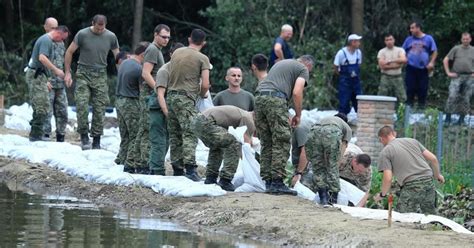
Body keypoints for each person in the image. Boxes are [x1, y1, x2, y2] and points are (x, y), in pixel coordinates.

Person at [255, 55, 314, 195]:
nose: (308, 75)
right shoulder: (302, 68)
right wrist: (298, 115)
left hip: (259, 98)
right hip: (276, 99)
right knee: (281, 140)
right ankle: (277, 182)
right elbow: (297, 92)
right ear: (308, 65)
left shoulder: (280, 64)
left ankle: (268, 181)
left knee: (267, 141)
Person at [64, 14, 120, 150]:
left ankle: (96, 139)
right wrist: (67, 72)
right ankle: (84, 136)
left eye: (102, 28)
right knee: (82, 105)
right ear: (92, 23)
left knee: (99, 108)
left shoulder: (111, 36)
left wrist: (122, 73)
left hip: (101, 74)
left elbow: (118, 56)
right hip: (83, 73)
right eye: (97, 28)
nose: (100, 31)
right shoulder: (82, 34)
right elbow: (69, 51)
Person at [166, 29, 211, 181]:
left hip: (171, 96)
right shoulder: (202, 58)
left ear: (189, 38)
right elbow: (205, 84)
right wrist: (202, 93)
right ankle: (191, 170)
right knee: (190, 132)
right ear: (203, 43)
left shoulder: (177, 53)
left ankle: (177, 169)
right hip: (186, 98)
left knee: (175, 134)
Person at [127, 24, 170, 174]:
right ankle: (142, 164)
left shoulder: (156, 50)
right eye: (163, 37)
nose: (166, 40)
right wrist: (159, 90)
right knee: (147, 130)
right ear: (155, 34)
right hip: (149, 94)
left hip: (150, 93)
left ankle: (132, 162)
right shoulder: (152, 49)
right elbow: (146, 74)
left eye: (168, 38)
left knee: (143, 129)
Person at [374, 126, 445, 214]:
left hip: (411, 186)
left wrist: (382, 195)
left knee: (402, 218)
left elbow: (388, 178)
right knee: (431, 217)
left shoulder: (386, 152)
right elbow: (433, 158)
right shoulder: (412, 141)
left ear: (381, 139)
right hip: (428, 182)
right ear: (393, 133)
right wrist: (437, 175)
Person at [192, 105, 255, 191]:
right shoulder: (249, 119)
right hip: (206, 122)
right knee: (233, 143)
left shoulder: (244, 114)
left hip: (197, 121)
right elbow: (245, 145)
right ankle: (226, 180)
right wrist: (251, 164)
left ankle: (211, 178)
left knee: (217, 146)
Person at [26, 26, 69, 141]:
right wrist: (56, 70)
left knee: (43, 105)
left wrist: (46, 78)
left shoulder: (48, 40)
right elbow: (42, 58)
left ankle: (36, 134)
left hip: (41, 75)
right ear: (59, 34)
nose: (61, 41)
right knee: (41, 107)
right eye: (62, 38)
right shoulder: (46, 40)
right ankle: (36, 136)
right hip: (36, 74)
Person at [150, 42, 185, 175]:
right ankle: (156, 169)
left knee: (174, 139)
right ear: (171, 55)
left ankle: (178, 168)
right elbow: (160, 94)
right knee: (159, 139)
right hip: (159, 108)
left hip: (173, 107)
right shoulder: (165, 70)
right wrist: (167, 114)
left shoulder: (183, 70)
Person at [115, 42, 148, 173]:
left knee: (125, 135)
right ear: (143, 54)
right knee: (135, 134)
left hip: (119, 100)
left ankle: (121, 159)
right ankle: (130, 163)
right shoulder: (138, 68)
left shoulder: (125, 63)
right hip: (130, 102)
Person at [304, 113, 352, 205]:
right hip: (331, 132)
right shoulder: (346, 127)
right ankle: (333, 200)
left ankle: (323, 198)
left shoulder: (325, 119)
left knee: (318, 166)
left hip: (314, 131)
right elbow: (343, 147)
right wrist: (336, 162)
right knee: (332, 166)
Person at [40, 18, 69, 142]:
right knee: (47, 111)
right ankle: (45, 134)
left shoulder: (61, 43)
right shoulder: (43, 41)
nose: (55, 31)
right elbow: (37, 63)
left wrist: (68, 74)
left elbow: (64, 62)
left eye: (56, 28)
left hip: (60, 84)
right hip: (48, 82)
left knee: (63, 111)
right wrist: (44, 80)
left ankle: (60, 136)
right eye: (52, 28)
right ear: (45, 27)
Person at [402, 22, 438, 109]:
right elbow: (402, 51)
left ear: (418, 28)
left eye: (412, 28)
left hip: (424, 69)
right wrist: (404, 58)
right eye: (410, 28)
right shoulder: (408, 40)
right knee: (410, 89)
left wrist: (432, 62)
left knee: (422, 89)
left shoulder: (428, 38)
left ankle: (421, 110)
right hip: (411, 68)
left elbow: (435, 51)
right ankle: (408, 110)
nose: (411, 30)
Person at [443, 32, 474, 125]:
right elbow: (446, 59)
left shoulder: (473, 50)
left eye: (467, 39)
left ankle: (462, 119)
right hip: (457, 76)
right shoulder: (456, 48)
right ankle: (448, 117)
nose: (465, 40)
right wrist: (448, 72)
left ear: (470, 39)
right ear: (461, 39)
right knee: (452, 96)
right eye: (464, 39)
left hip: (469, 77)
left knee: (466, 98)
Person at [333, 34, 363, 114]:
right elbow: (336, 66)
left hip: (356, 82)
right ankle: (342, 120)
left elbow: (359, 64)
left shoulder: (358, 53)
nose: (359, 43)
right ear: (352, 42)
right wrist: (342, 75)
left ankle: (361, 120)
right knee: (344, 102)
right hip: (345, 82)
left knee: (359, 100)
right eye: (357, 42)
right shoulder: (341, 53)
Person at [377, 34, 407, 103]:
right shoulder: (382, 52)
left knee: (402, 97)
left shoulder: (400, 50)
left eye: (390, 39)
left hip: (397, 77)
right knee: (381, 96)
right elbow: (382, 66)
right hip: (385, 77)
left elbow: (404, 60)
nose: (389, 41)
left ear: (394, 40)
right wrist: (397, 65)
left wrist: (390, 61)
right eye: (387, 40)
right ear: (385, 42)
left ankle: (401, 112)